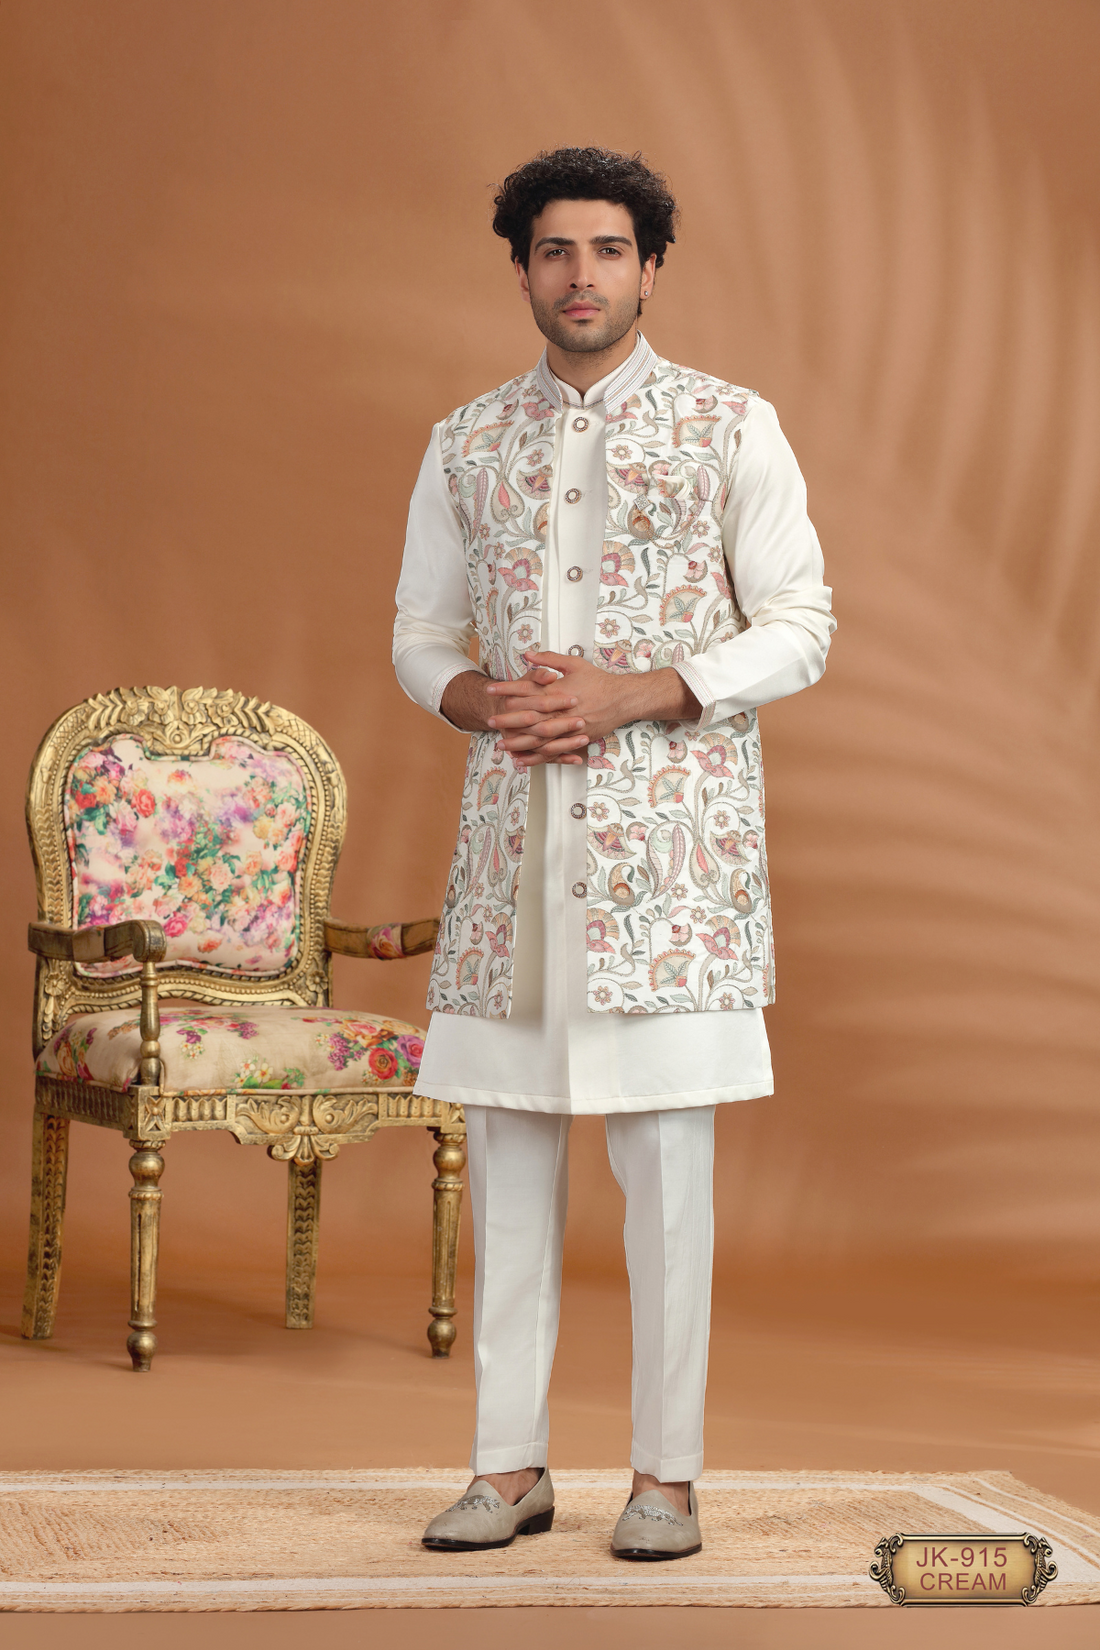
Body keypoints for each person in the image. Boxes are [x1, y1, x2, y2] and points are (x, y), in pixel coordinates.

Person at [393, 146, 834, 1560]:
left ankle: (667, 1478)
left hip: (672, 875)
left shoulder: (730, 426)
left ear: (651, 269)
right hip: (511, 863)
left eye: (606, 250)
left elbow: (801, 624)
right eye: (554, 250)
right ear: (522, 270)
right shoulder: (466, 441)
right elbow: (420, 635)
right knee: (508, 1176)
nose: (580, 275)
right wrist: (485, 700)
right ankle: (506, 1467)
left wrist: (640, 692)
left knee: (668, 1185)